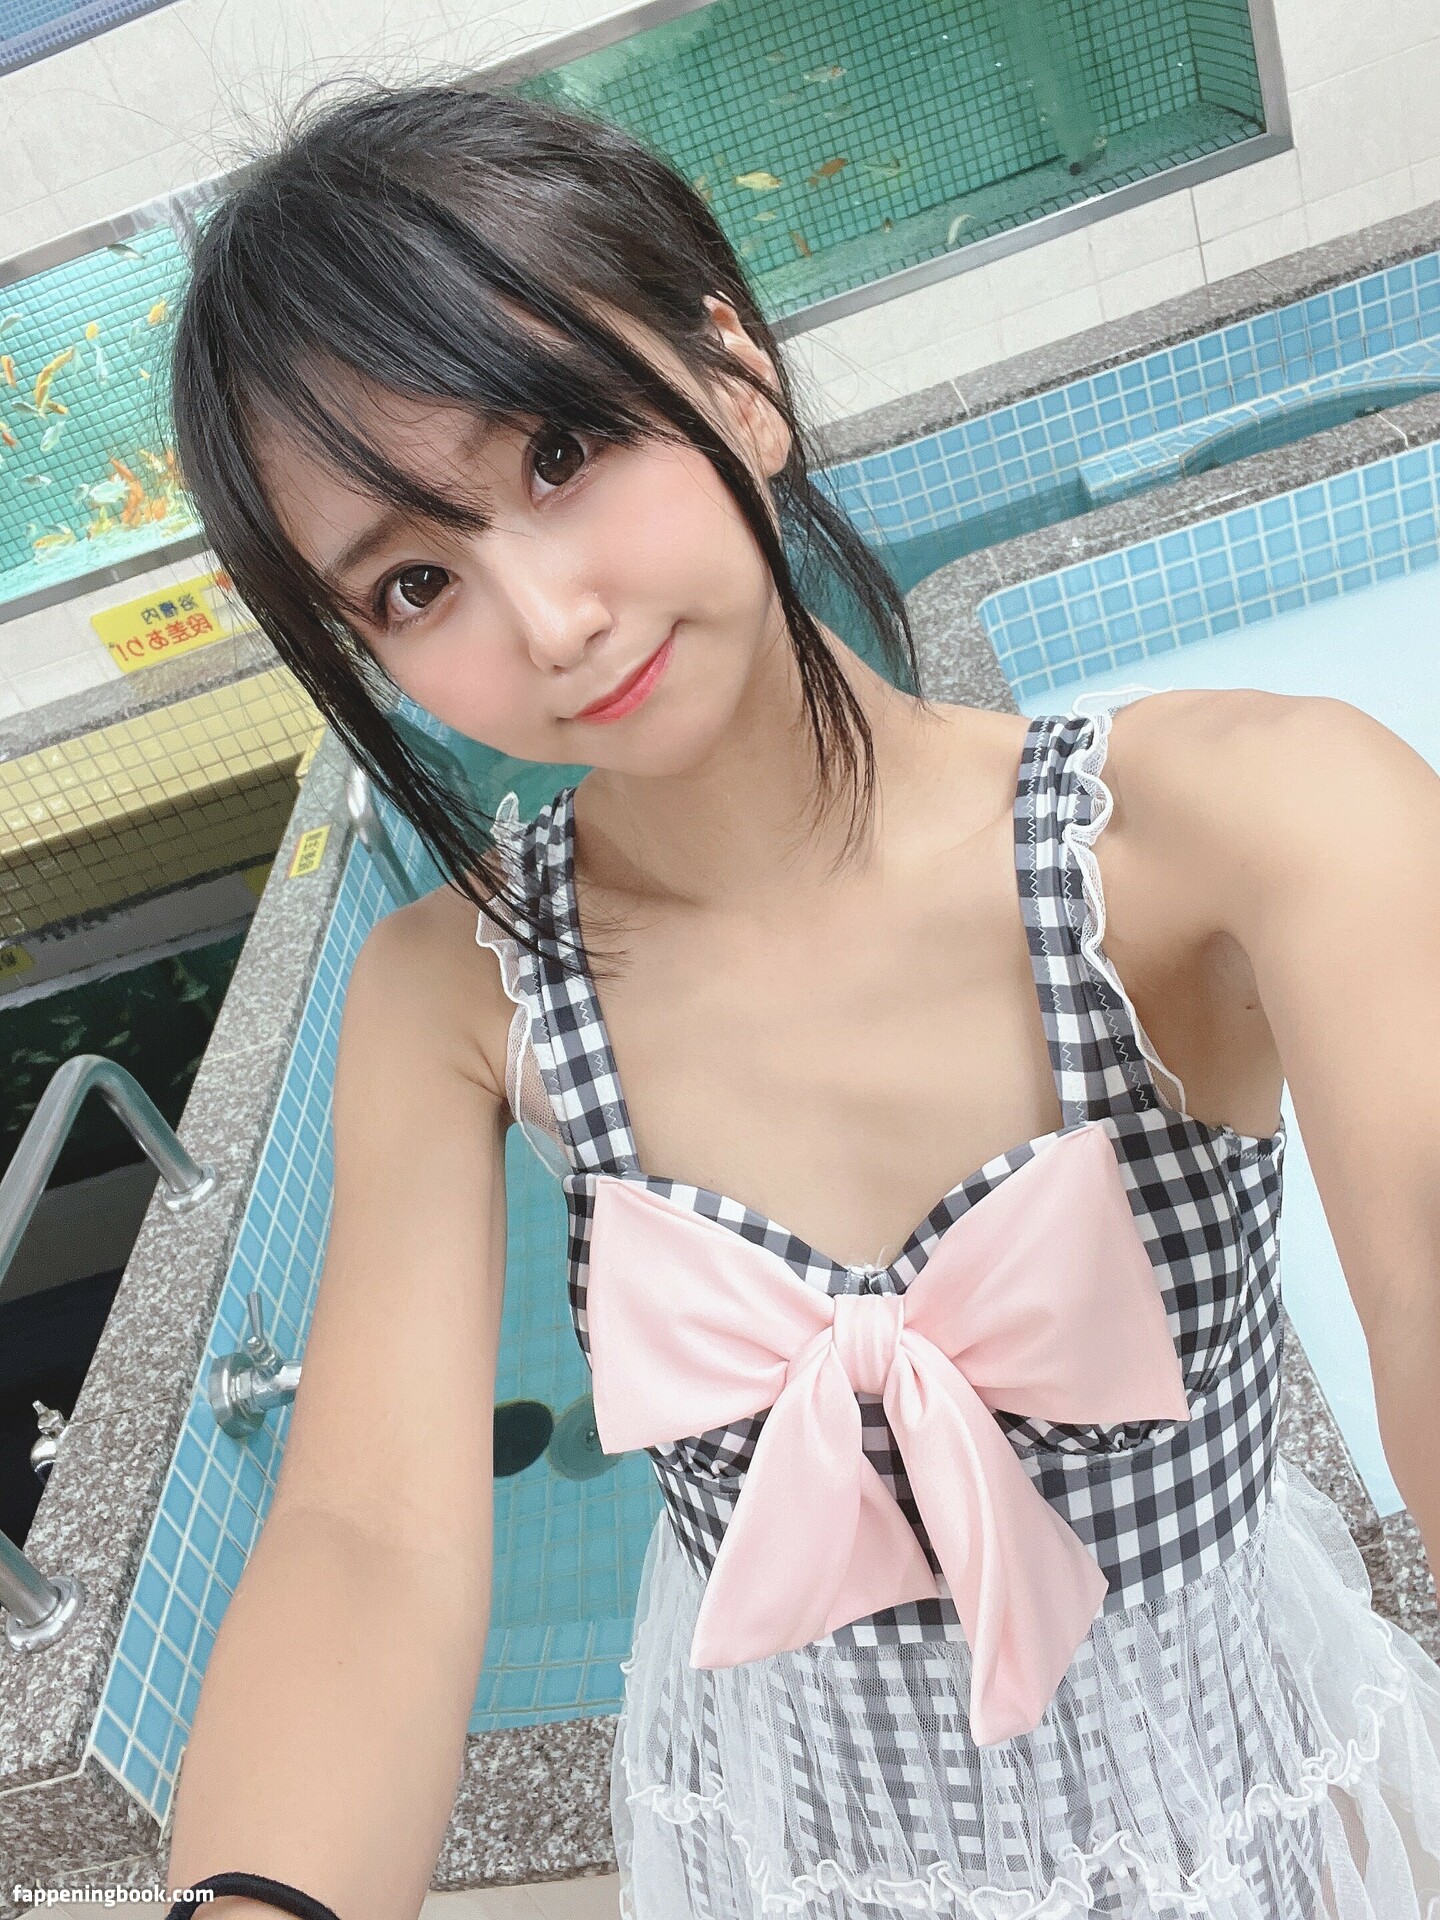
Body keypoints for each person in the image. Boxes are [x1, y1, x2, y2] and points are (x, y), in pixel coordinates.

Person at [160, 75, 1440, 1920]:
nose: (550, 619)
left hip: (1219, 1775)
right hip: (806, 1819)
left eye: (562, 450)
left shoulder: (1241, 825)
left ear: (738, 382)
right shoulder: (452, 995)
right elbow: (369, 1535)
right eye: (420, 580)